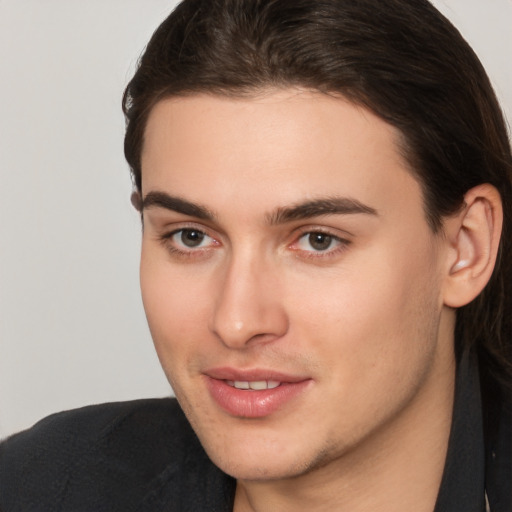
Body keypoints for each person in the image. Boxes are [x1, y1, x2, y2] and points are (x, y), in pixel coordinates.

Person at [1, 0, 511, 510]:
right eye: (191, 237)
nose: (237, 322)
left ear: (466, 247)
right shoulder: (36, 488)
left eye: (318, 240)